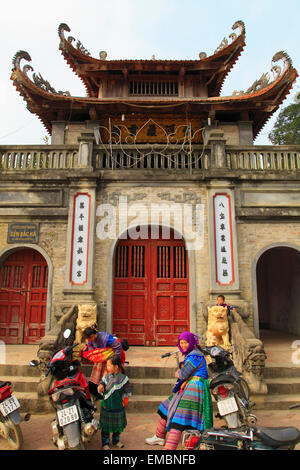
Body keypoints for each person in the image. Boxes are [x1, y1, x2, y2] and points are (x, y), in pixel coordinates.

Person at [145, 331, 213, 450]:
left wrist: (178, 374)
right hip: (187, 386)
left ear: (192, 342)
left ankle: (169, 448)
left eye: (186, 342)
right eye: (181, 343)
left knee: (180, 419)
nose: (183, 345)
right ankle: (159, 436)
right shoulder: (192, 354)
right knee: (167, 406)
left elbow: (183, 374)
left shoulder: (194, 356)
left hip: (194, 388)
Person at [98, 355, 131, 450]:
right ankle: (105, 443)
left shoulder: (124, 379)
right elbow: (101, 385)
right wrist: (100, 387)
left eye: (109, 366)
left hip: (118, 405)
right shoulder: (106, 378)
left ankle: (116, 440)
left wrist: (126, 400)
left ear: (116, 367)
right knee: (106, 426)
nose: (107, 368)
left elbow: (127, 391)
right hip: (107, 406)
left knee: (117, 425)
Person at [82, 327, 122, 400]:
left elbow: (118, 346)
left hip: (109, 358)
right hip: (100, 359)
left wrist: (115, 361)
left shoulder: (105, 338)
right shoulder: (91, 340)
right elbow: (91, 349)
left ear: (92, 336)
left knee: (107, 377)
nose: (89, 341)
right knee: (97, 377)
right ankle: (98, 393)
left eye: (89, 339)